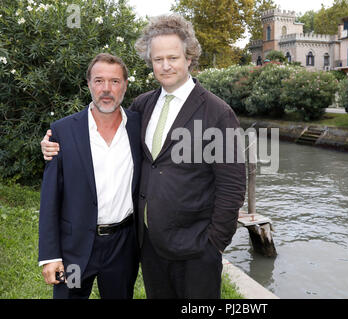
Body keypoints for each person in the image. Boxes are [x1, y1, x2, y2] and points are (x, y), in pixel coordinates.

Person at [41, 14, 246, 299]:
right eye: (157, 59)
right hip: (149, 246)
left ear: (189, 58)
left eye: (172, 57)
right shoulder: (142, 107)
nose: (165, 65)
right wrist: (52, 144)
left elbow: (233, 186)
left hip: (196, 250)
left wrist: (214, 244)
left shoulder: (218, 113)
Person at [38, 53, 141, 299]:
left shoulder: (138, 126)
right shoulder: (63, 130)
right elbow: (50, 197)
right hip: (74, 247)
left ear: (125, 85)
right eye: (99, 80)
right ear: (88, 84)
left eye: (115, 81)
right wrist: (50, 255)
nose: (106, 89)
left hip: (122, 246)